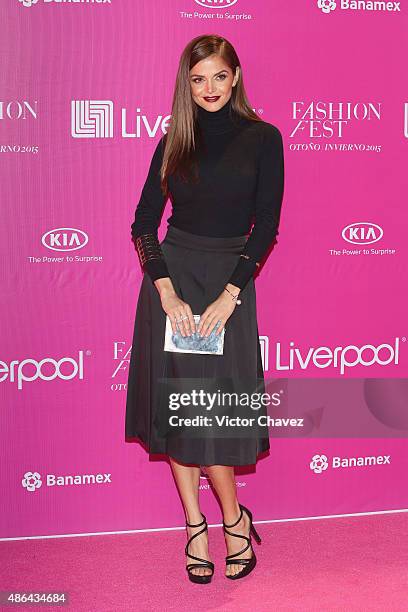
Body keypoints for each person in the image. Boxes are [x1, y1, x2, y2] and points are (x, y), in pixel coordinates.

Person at [125, 34, 285, 584]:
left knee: (214, 415)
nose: (209, 88)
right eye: (198, 79)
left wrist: (231, 294)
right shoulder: (174, 141)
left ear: (235, 77)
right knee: (181, 413)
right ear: (185, 85)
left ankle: (235, 518)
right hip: (174, 284)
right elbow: (144, 224)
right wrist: (165, 290)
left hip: (227, 287)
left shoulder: (264, 139)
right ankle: (196, 524)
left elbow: (266, 227)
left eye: (219, 76)